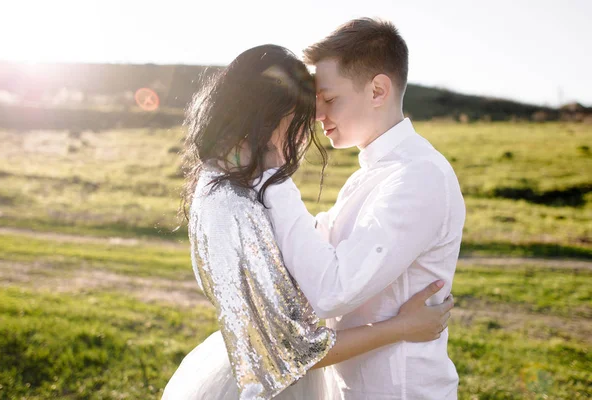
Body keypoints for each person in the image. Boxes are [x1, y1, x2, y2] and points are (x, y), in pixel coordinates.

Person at [161, 44, 454, 400]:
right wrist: (401, 327)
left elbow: (312, 259)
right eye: (303, 115)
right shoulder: (231, 204)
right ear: (269, 113)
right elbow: (291, 351)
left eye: (326, 102)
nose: (312, 124)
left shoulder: (240, 186)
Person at [262, 19, 466, 400]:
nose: (317, 114)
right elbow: (309, 257)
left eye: (330, 99)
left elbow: (331, 291)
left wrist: (273, 175)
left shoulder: (419, 176)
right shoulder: (369, 176)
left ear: (377, 90)